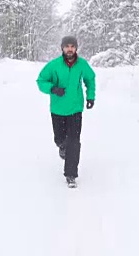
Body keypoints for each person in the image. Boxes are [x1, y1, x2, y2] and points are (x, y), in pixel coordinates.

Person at [36, 35, 96, 187]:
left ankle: (71, 175)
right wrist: (53, 89)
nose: (70, 49)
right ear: (62, 48)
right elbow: (41, 80)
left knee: (74, 142)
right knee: (60, 139)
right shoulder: (54, 65)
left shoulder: (82, 64)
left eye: (72, 46)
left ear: (76, 48)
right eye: (67, 46)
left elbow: (90, 79)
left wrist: (90, 97)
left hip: (75, 109)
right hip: (57, 109)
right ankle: (62, 147)